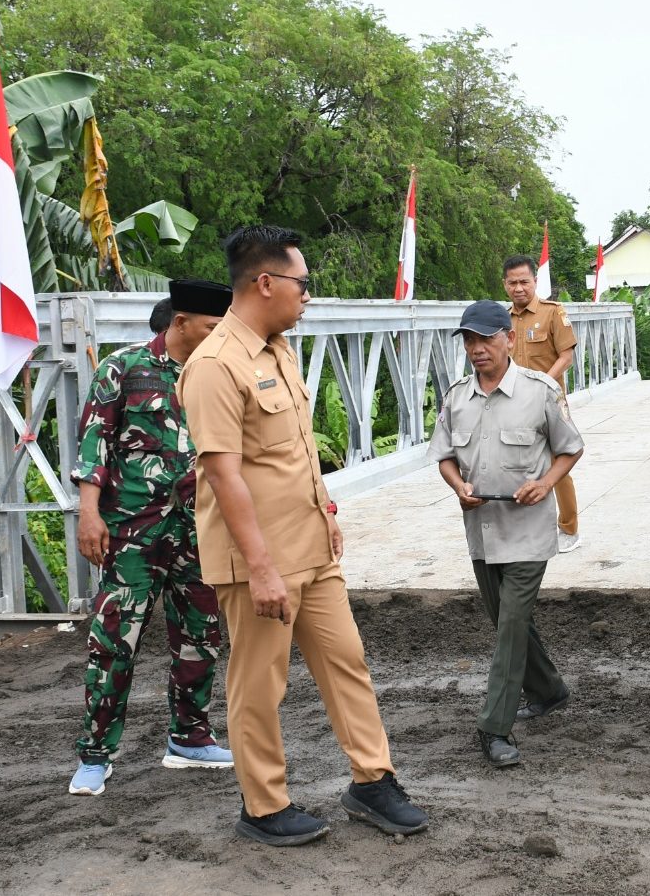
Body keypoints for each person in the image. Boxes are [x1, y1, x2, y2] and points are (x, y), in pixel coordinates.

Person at [179, 225, 428, 846]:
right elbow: (224, 474)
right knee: (260, 684)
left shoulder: (279, 349)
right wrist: (261, 567)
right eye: (302, 283)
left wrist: (328, 511)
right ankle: (264, 805)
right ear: (266, 283)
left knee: (347, 662)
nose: (308, 295)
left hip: (312, 546)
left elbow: (294, 453)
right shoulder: (214, 365)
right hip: (259, 560)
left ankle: (373, 780)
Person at [67, 280, 235, 797]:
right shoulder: (124, 367)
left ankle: (189, 738)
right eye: (212, 327)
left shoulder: (220, 371)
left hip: (199, 530)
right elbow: (94, 443)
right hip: (132, 533)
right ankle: (95, 755)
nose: (220, 335)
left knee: (201, 637)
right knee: (114, 642)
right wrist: (89, 515)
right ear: (181, 322)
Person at [428, 300, 584, 768]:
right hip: (482, 530)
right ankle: (549, 689)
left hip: (528, 531)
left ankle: (494, 727)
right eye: (469, 341)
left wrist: (546, 483)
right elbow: (444, 457)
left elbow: (570, 448)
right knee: (506, 621)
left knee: (511, 624)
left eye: (486, 339)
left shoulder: (540, 392)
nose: (477, 349)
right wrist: (458, 487)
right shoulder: (457, 397)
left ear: (509, 339)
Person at [502, 255, 583, 554]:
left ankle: (569, 528)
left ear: (535, 281)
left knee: (558, 464)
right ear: (505, 285)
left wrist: (542, 385)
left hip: (549, 402)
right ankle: (522, 526)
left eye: (524, 281)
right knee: (514, 462)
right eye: (513, 283)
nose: (519, 288)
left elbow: (566, 356)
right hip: (514, 402)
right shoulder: (503, 319)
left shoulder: (552, 313)